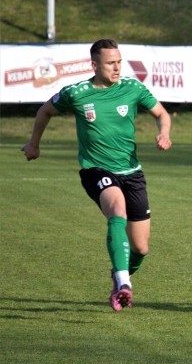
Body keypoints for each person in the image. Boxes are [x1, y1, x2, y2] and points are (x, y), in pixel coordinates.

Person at [22, 39, 172, 312]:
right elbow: (45, 110)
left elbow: (161, 113)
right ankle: (124, 283)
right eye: (111, 63)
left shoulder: (132, 88)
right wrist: (34, 144)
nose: (117, 68)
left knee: (141, 248)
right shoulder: (77, 93)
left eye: (119, 62)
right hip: (96, 170)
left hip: (132, 172)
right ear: (94, 65)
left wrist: (164, 132)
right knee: (117, 209)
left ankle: (119, 277)